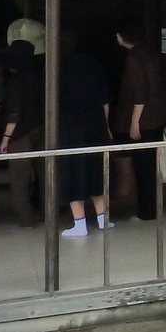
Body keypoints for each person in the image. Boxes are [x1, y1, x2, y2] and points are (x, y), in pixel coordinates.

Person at [114, 23, 166, 222]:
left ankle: (146, 211)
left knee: (143, 167)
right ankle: (152, 207)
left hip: (144, 120)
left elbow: (140, 94)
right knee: (150, 166)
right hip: (157, 116)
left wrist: (134, 122)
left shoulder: (134, 57)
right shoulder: (151, 53)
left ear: (123, 36)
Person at [0, 19, 46, 228]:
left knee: (20, 179)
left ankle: (25, 219)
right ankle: (47, 212)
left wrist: (5, 139)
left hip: (20, 134)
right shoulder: (41, 74)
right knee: (46, 174)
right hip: (42, 128)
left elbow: (14, 113)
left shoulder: (14, 80)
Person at [58, 31, 110, 238]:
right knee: (96, 169)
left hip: (70, 126)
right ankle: (102, 219)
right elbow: (105, 99)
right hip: (95, 123)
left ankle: (80, 224)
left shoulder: (58, 67)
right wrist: (106, 127)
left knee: (73, 172)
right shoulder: (94, 64)